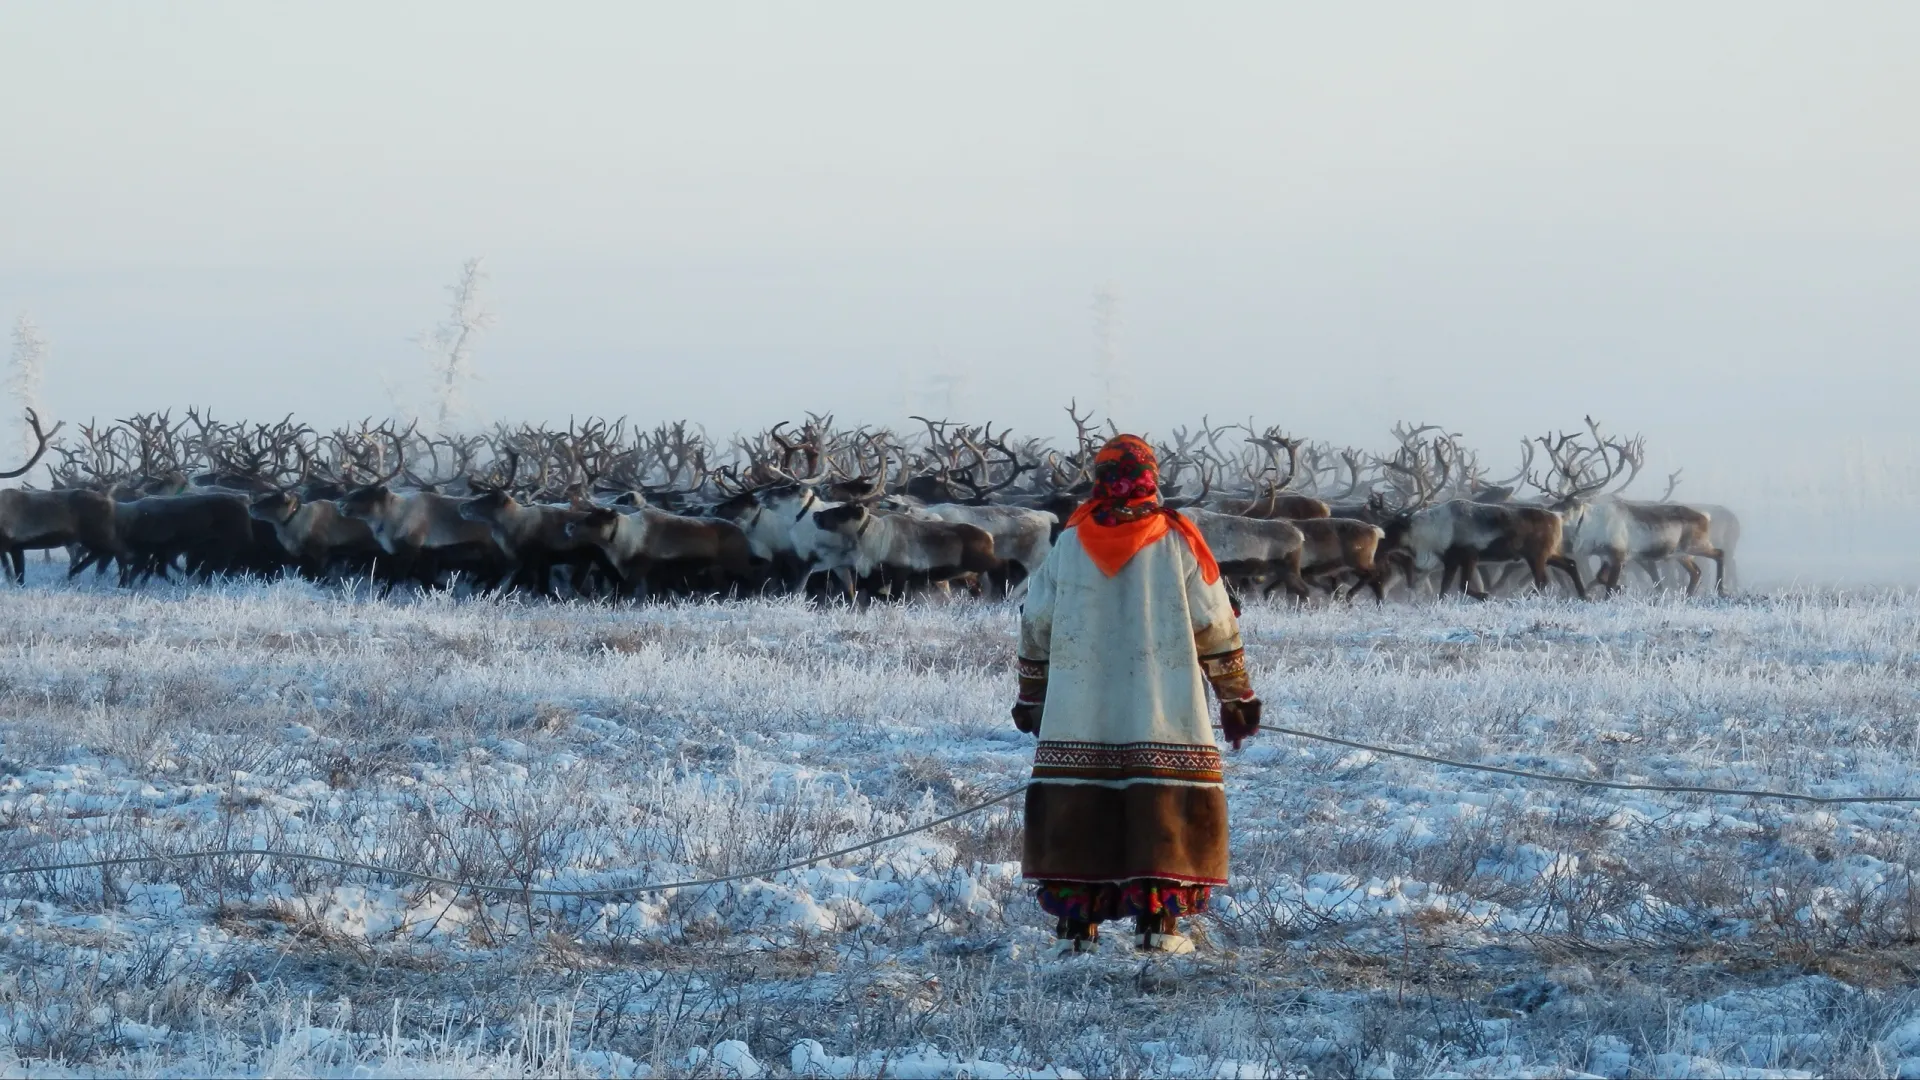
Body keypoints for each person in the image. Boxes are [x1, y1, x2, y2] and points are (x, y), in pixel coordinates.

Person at [1013, 434, 1262, 956]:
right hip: (1162, 711)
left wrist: (1033, 693)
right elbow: (1215, 623)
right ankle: (1159, 929)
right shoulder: (1177, 541)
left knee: (1078, 812)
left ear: (1099, 479)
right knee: (1163, 814)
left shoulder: (1070, 543)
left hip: (1078, 715)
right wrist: (1236, 697)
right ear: (1151, 477)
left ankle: (1076, 931)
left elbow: (1036, 622)